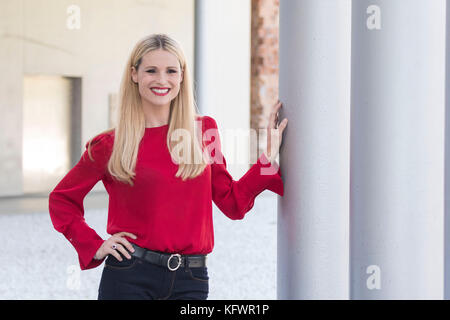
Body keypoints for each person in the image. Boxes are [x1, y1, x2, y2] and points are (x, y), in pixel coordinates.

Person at [48, 33, 288, 300]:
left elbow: (233, 203)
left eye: (171, 71)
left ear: (182, 76)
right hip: (129, 277)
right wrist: (95, 245)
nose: (162, 80)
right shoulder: (110, 145)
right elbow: (61, 200)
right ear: (134, 74)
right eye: (151, 70)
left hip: (191, 280)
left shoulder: (203, 131)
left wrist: (268, 158)